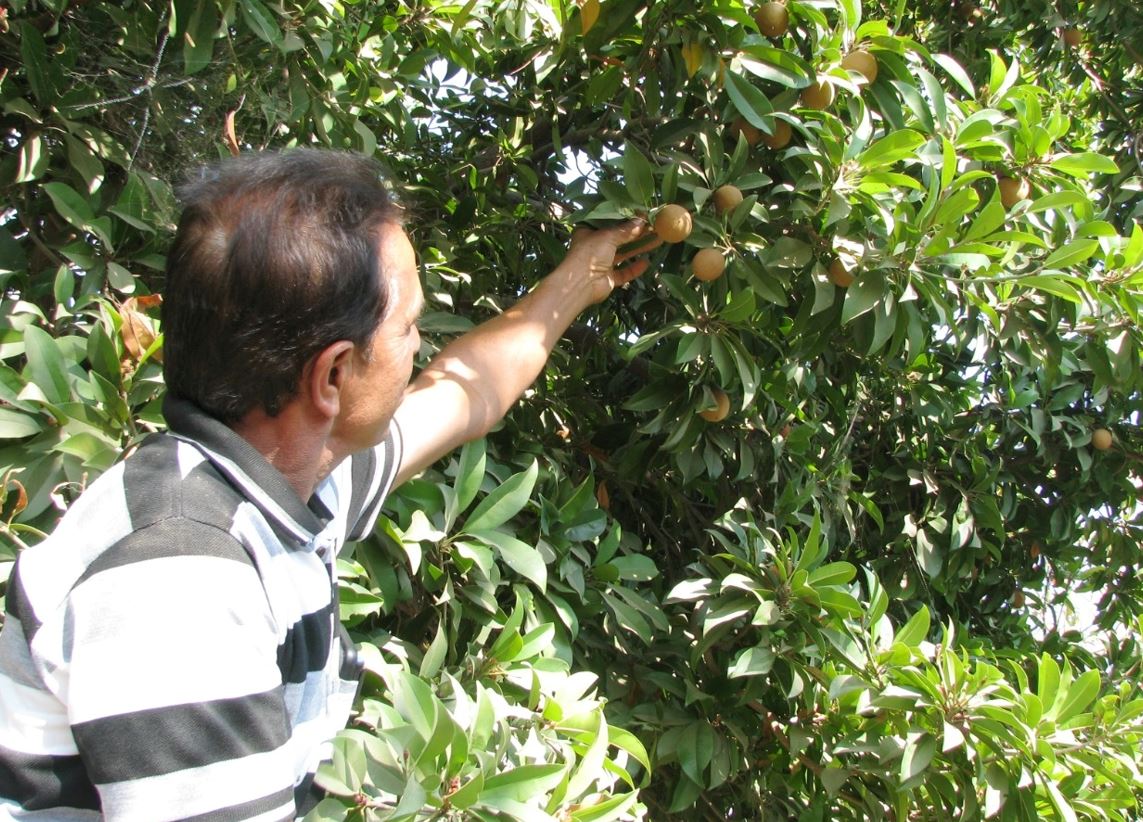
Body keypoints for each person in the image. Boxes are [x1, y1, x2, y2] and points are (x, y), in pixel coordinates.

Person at [0, 149, 657, 820]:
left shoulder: (280, 487)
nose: (420, 348)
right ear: (333, 377)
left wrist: (581, 276)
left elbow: (467, 395)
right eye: (408, 328)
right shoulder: (179, 578)